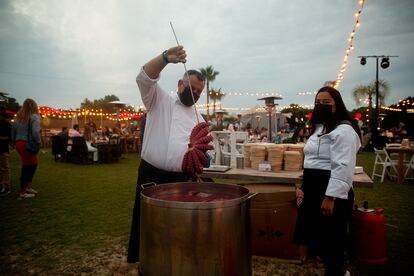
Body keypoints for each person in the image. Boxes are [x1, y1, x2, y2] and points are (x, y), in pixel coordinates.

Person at [127, 45, 206, 263]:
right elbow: (144, 78)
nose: (195, 94)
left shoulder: (200, 119)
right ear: (180, 84)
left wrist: (202, 159)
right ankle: (148, 265)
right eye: (191, 88)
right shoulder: (159, 101)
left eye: (199, 92)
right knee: (150, 230)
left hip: (182, 180)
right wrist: (165, 58)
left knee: (178, 233)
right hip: (151, 178)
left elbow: (203, 149)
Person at [293, 86, 361, 276]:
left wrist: (331, 197)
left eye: (326, 102)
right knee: (318, 238)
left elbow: (343, 165)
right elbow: (312, 159)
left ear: (336, 105)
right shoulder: (320, 127)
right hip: (314, 188)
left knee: (332, 239)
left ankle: (338, 272)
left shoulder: (344, 130)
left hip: (330, 190)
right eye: (317, 103)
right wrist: (305, 186)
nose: (320, 106)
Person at [11, 98, 41, 199]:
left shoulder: (18, 117)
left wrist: (13, 141)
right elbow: (36, 132)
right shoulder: (34, 117)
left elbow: (13, 130)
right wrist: (38, 141)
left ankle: (27, 187)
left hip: (19, 143)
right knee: (29, 166)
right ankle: (23, 191)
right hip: (27, 144)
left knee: (31, 164)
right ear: (34, 106)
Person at [0, 106, 12, 196]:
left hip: (3, 150)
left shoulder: (6, 125)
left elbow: (11, 137)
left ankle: (6, 187)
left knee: (4, 168)